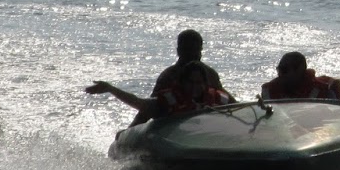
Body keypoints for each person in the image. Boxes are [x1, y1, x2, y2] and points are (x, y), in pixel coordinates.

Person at [85, 60, 232, 120]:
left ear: (206, 84)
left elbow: (240, 111)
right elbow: (139, 103)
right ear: (181, 84)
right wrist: (110, 89)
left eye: (199, 83)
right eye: (190, 83)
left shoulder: (220, 100)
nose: (195, 87)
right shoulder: (167, 102)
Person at [260, 51, 340, 101]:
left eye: (284, 70)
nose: (280, 74)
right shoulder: (268, 92)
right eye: (279, 69)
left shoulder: (324, 92)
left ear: (299, 70)